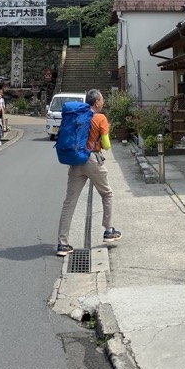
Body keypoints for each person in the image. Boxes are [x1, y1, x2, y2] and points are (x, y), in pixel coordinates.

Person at [56, 88, 122, 256]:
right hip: (92, 160)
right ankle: (109, 230)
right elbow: (106, 145)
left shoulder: (77, 116)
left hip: (76, 161)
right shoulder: (100, 118)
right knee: (107, 193)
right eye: (102, 99)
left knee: (69, 202)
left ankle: (62, 244)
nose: (104, 101)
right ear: (97, 102)